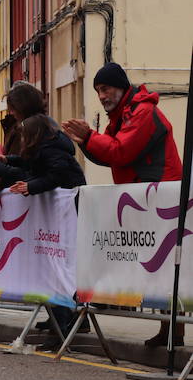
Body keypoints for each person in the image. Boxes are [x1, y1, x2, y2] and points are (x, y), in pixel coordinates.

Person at [62, 62, 184, 347]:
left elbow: (121, 151)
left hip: (160, 200)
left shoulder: (142, 113)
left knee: (165, 266)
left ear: (120, 87)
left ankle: (174, 331)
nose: (102, 95)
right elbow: (112, 155)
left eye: (105, 88)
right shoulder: (123, 116)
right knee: (160, 267)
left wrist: (89, 138)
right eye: (98, 91)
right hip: (148, 198)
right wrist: (86, 141)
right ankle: (170, 331)